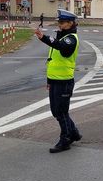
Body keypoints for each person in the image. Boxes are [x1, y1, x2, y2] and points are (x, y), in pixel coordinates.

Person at [34, 9, 82, 153]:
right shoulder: (62, 37)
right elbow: (53, 61)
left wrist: (44, 38)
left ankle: (66, 139)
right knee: (57, 111)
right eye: (59, 22)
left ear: (70, 23)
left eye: (62, 22)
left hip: (64, 81)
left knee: (61, 112)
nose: (59, 25)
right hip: (55, 80)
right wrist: (49, 80)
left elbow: (62, 48)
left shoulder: (71, 38)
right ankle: (73, 132)